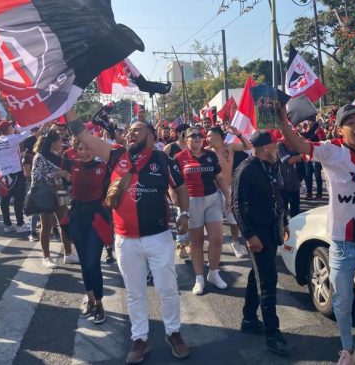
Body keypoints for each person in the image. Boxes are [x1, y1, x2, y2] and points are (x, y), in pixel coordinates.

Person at [275, 104, 355, 365]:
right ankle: (349, 350)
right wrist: (281, 123)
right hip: (341, 246)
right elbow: (301, 146)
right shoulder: (331, 150)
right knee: (341, 303)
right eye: (352, 122)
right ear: (340, 128)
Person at [65, 109, 191, 363]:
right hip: (126, 239)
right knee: (134, 292)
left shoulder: (163, 159)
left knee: (167, 288)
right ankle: (140, 339)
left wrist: (184, 213)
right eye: (129, 131)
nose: (131, 134)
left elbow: (179, 187)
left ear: (151, 137)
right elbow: (82, 134)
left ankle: (174, 333)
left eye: (137, 130)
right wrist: (67, 107)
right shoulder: (115, 155)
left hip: (159, 237)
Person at [232, 130, 291, 357]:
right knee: (267, 281)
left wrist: (283, 222)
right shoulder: (246, 169)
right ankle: (273, 335)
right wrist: (248, 235)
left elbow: (278, 195)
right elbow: (236, 204)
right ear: (266, 147)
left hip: (271, 229)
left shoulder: (270, 165)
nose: (277, 149)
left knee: (257, 274)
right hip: (257, 232)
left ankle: (248, 318)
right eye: (275, 145)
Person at [175, 127, 231, 295]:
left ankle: (213, 273)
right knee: (197, 242)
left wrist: (228, 196)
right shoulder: (179, 158)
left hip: (212, 199)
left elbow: (219, 177)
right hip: (192, 201)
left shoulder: (210, 155)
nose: (199, 137)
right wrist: (180, 205)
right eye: (194, 136)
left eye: (200, 135)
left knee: (217, 239)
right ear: (186, 139)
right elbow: (174, 185)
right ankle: (199, 277)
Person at [63, 139, 111, 324]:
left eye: (89, 148)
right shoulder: (71, 165)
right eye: (81, 149)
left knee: (93, 263)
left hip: (96, 219)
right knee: (84, 263)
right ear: (75, 151)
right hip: (76, 219)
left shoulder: (104, 167)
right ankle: (90, 300)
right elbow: (45, 151)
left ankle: (99, 303)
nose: (85, 152)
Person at [31, 130, 78, 268]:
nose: (62, 143)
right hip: (45, 194)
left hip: (61, 191)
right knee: (46, 226)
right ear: (52, 143)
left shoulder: (58, 155)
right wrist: (58, 173)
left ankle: (68, 254)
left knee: (64, 223)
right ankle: (46, 257)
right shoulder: (39, 157)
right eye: (59, 141)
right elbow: (36, 178)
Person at [205, 125, 251, 258]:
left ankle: (235, 242)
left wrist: (238, 134)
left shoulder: (229, 147)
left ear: (218, 137)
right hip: (212, 192)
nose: (207, 139)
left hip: (230, 190)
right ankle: (213, 251)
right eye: (207, 136)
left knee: (234, 220)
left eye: (209, 136)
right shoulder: (207, 151)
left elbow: (247, 146)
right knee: (213, 222)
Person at [0, 120, 31, 233]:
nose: (12, 127)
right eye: (11, 126)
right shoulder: (13, 138)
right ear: (8, 128)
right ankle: (20, 224)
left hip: (3, 173)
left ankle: (7, 225)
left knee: (5, 199)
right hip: (15, 171)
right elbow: (28, 132)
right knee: (18, 199)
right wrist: (21, 125)